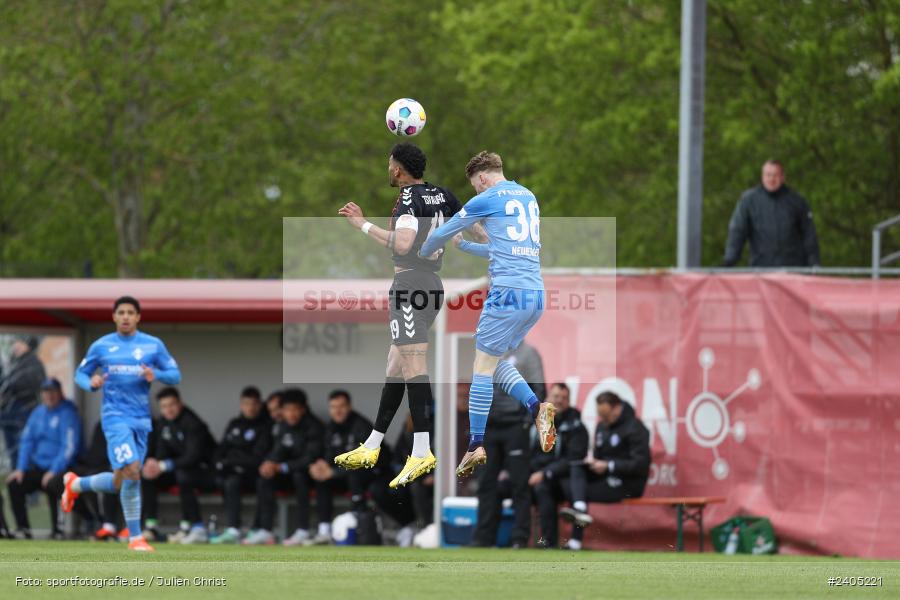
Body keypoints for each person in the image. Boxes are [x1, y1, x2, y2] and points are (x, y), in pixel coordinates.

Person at [419, 151, 556, 476]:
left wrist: (425, 252)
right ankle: (537, 408)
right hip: (535, 295)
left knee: (480, 367)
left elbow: (440, 232)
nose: (476, 193)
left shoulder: (488, 197)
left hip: (506, 293)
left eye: (475, 188)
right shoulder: (527, 196)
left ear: (481, 178)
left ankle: (474, 444)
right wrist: (465, 246)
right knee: (495, 365)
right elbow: (503, 248)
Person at [335, 142, 463, 488]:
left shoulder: (408, 199)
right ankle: (373, 443)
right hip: (432, 284)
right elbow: (466, 233)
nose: (388, 170)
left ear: (398, 170)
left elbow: (404, 244)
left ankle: (421, 449)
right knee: (395, 364)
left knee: (413, 364)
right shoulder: (444, 195)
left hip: (409, 287)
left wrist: (362, 224)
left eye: (389, 165)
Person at [61, 295, 181, 552]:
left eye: (130, 312)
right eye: (121, 312)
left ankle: (75, 484)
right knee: (134, 472)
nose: (125, 316)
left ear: (138, 317)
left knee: (121, 481)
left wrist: (156, 374)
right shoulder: (102, 346)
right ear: (114, 316)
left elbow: (175, 375)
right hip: (115, 418)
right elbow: (80, 374)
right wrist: (90, 383)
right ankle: (136, 538)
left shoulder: (152, 345)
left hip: (141, 421)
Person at [310, 390, 416, 541]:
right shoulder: (331, 428)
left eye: (341, 406)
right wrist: (321, 466)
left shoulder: (361, 426)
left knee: (372, 486)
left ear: (349, 407)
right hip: (347, 475)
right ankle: (324, 529)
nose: (337, 411)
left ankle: (398, 525)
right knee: (322, 481)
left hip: (377, 471)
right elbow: (329, 454)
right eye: (333, 407)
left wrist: (333, 472)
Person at [472, 342, 546, 548]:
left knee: (519, 483)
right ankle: (483, 539)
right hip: (490, 426)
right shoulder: (487, 351)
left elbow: (538, 387)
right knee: (486, 482)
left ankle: (519, 538)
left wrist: (524, 421)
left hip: (514, 425)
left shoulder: (529, 353)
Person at [559, 391, 651, 550]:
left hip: (628, 483)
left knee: (580, 491)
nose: (603, 419)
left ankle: (576, 538)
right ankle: (579, 508)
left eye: (606, 415)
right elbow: (599, 456)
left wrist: (609, 465)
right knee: (576, 466)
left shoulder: (636, 428)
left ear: (617, 409)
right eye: (600, 415)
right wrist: (595, 463)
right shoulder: (602, 426)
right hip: (605, 476)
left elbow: (640, 464)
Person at [243, 388, 328, 546]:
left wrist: (281, 467)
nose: (291, 414)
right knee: (264, 478)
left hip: (311, 476)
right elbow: (278, 451)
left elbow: (310, 458)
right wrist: (269, 463)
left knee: (299, 476)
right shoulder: (283, 426)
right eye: (287, 410)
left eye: (295, 409)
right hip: (288, 472)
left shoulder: (314, 426)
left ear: (303, 409)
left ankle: (303, 530)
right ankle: (266, 530)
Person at [6, 378, 81, 539]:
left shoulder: (68, 413)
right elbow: (27, 441)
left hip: (60, 467)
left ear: (60, 393)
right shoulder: (38, 413)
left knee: (54, 484)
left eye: (52, 391)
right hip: (39, 466)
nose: (49, 395)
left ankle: (58, 529)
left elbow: (69, 447)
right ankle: (23, 528)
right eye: (46, 392)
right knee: (14, 484)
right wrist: (21, 468)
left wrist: (54, 469)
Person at [141, 387, 217, 544]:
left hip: (206, 471)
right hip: (177, 470)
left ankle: (192, 527)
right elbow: (161, 451)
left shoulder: (193, 423)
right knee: (148, 476)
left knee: (184, 476)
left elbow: (193, 457)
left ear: (180, 403)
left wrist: (163, 466)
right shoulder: (163, 422)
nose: (168, 410)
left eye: (171, 405)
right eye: (164, 406)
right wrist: (154, 463)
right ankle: (151, 527)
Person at [723, 159, 820, 267]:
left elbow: (809, 234)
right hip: (761, 270)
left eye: (775, 175)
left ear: (783, 177)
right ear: (762, 177)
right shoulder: (749, 201)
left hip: (793, 270)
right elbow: (738, 231)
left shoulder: (797, 201)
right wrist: (729, 261)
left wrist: (814, 263)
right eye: (768, 175)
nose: (771, 179)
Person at [209, 386, 272, 544]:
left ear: (259, 405)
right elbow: (222, 449)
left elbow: (257, 457)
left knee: (264, 482)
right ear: (241, 405)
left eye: (253, 404)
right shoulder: (234, 423)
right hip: (234, 474)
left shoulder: (265, 426)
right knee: (230, 481)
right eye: (246, 403)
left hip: (255, 475)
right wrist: (224, 460)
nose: (250, 407)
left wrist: (233, 459)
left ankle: (258, 529)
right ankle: (233, 529)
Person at [530, 382, 589, 549]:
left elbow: (574, 459)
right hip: (540, 475)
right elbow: (530, 452)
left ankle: (575, 541)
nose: (559, 401)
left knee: (575, 492)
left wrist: (546, 472)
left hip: (567, 477)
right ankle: (541, 541)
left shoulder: (576, 426)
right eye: (556, 396)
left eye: (564, 398)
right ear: (547, 398)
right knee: (534, 487)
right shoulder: (536, 420)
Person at [0, 334, 46, 468]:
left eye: (19, 343)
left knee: (24, 451)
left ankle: (25, 479)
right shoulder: (14, 363)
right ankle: (17, 478)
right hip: (8, 415)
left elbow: (33, 386)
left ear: (27, 345)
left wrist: (10, 388)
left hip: (24, 413)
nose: (15, 346)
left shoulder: (33, 363)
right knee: (13, 452)